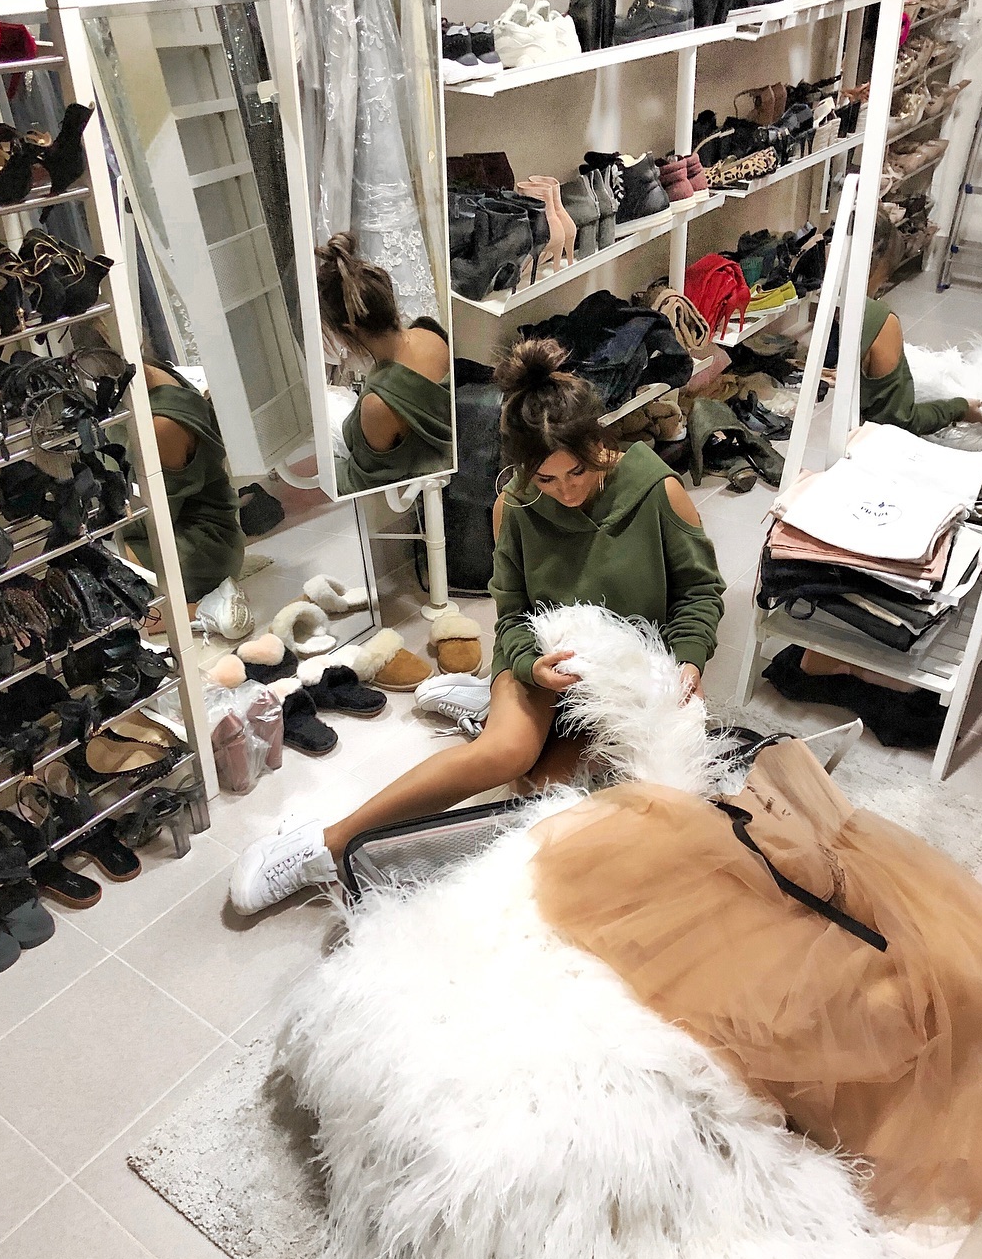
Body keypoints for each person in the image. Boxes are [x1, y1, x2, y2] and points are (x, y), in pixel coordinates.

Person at [229, 337, 727, 915]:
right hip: (546, 659)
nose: (566, 490)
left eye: (577, 471)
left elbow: (700, 592)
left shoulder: (657, 489)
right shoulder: (513, 507)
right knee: (507, 753)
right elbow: (512, 614)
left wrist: (688, 659)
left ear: (599, 442)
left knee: (542, 794)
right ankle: (324, 845)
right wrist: (529, 667)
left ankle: (482, 707)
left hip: (627, 671)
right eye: (547, 480)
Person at [123, 355, 249, 638]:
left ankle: (203, 609)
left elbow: (152, 521)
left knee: (94, 590)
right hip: (202, 530)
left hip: (198, 546)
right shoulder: (155, 375)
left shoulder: (162, 424)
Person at [319, 232, 453, 494]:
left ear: (349, 329)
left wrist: (322, 468)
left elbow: (362, 481)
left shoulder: (379, 404)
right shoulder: (430, 332)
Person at [857, 211, 982, 436]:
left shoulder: (820, 310)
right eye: (885, 277)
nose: (880, 287)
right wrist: (958, 408)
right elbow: (897, 420)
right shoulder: (876, 319)